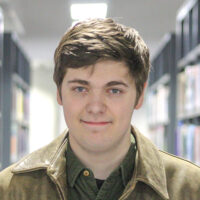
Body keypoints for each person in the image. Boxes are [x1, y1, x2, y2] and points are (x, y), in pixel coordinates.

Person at [0, 18, 200, 200]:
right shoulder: (10, 189)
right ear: (59, 94)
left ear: (140, 96)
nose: (95, 107)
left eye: (114, 90)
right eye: (80, 89)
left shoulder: (191, 188)